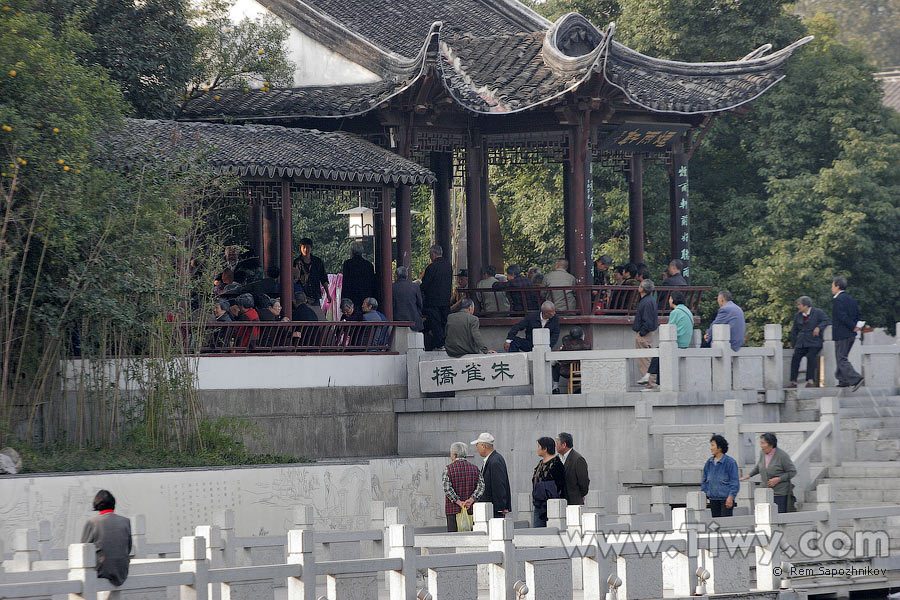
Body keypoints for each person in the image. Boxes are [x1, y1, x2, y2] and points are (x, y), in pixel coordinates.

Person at [81, 490, 132, 591]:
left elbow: (82, 550)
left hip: (101, 571)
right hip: (122, 571)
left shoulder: (92, 523)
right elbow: (129, 548)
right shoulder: (125, 521)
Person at [740, 433, 797, 513]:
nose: (761, 445)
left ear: (771, 444)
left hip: (779, 493)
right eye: (760, 443)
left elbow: (792, 471)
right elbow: (759, 467)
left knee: (778, 517)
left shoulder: (782, 456)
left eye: (763, 443)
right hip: (765, 491)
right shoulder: (762, 453)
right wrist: (748, 476)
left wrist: (778, 479)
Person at [647, 291, 693, 385]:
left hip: (677, 343)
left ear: (673, 299)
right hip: (685, 343)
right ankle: (654, 380)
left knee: (658, 353)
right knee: (660, 356)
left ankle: (651, 376)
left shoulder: (675, 312)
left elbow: (668, 329)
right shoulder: (687, 310)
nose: (669, 301)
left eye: (670, 298)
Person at [442, 442, 485, 532]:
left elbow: (447, 488)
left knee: (454, 540)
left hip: (453, 511)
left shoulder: (448, 469)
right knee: (472, 539)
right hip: (471, 511)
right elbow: (481, 486)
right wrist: (472, 499)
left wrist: (459, 502)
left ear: (454, 455)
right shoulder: (475, 468)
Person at [831, 277, 864, 389]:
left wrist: (852, 325)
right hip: (851, 334)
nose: (831, 288)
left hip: (842, 333)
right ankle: (843, 380)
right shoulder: (851, 299)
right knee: (841, 357)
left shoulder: (838, 300)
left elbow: (842, 316)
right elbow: (859, 315)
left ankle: (856, 378)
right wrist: (857, 326)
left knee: (841, 358)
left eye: (832, 286)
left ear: (837, 286)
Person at [789, 296, 830, 388]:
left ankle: (810, 380)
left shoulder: (817, 312)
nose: (798, 307)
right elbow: (794, 331)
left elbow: (826, 321)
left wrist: (818, 327)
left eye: (799, 305)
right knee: (795, 357)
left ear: (806, 305)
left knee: (811, 357)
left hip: (814, 341)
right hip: (801, 342)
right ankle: (793, 381)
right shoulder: (798, 316)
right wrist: (794, 344)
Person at [420, 245, 453, 350]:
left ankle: (439, 344)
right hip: (446, 300)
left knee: (435, 323)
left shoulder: (432, 267)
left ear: (433, 254)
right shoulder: (448, 266)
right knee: (444, 322)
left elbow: (425, 285)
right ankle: (445, 342)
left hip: (433, 301)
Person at [472, 432, 511, 517]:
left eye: (477, 445)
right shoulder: (493, 459)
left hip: (494, 508)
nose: (477, 448)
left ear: (483, 446)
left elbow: (499, 484)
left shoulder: (495, 461)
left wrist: (501, 507)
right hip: (491, 507)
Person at [701, 434, 740, 518]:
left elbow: (734, 481)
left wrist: (731, 497)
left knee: (725, 525)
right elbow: (704, 480)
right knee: (716, 525)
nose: (711, 448)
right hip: (713, 498)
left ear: (719, 447)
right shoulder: (709, 462)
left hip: (725, 499)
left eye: (713, 445)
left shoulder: (730, 462)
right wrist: (704, 494)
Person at [531, 437, 566, 527]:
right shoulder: (540, 463)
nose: (537, 449)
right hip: (539, 504)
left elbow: (560, 486)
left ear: (545, 449)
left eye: (539, 446)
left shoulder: (556, 464)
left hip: (551, 507)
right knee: (537, 532)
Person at [633, 279, 659, 387]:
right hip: (648, 333)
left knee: (645, 360)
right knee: (647, 358)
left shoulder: (646, 302)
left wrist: (641, 333)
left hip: (645, 334)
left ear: (642, 289)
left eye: (639, 286)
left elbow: (647, 321)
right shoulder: (650, 300)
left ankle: (650, 384)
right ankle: (650, 383)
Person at [293, 237, 333, 306]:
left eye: (308, 247)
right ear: (300, 248)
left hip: (315, 295)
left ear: (311, 248)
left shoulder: (317, 262)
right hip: (301, 296)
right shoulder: (296, 262)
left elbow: (323, 278)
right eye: (304, 247)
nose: (306, 250)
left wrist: (328, 294)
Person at [552, 327, 590, 394]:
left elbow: (559, 359)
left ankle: (555, 387)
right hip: (583, 372)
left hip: (568, 372)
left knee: (556, 365)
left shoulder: (567, 345)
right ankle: (579, 388)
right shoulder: (587, 345)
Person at [556, 432, 589, 506]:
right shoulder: (556, 459)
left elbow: (584, 482)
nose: (556, 446)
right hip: (559, 503)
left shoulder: (578, 459)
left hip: (573, 502)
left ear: (564, 445)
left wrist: (579, 495)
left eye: (557, 443)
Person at [341, 242, 376, 311]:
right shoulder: (368, 265)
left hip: (352, 296)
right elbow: (372, 282)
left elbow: (346, 282)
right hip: (366, 296)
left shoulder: (348, 264)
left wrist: (343, 298)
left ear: (351, 252)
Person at [392, 266, 424, 331]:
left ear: (396, 276)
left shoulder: (392, 288)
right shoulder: (415, 287)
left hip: (397, 320)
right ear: (406, 276)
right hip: (414, 320)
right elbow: (420, 304)